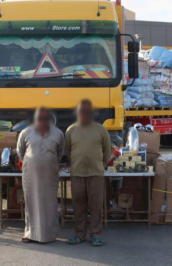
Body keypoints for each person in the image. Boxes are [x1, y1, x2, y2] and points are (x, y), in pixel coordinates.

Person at [65, 99, 111, 246]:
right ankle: (80, 234)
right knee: (78, 205)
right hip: (77, 173)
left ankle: (96, 234)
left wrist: (101, 165)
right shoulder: (71, 130)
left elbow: (107, 151)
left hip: (96, 173)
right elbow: (68, 151)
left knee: (96, 205)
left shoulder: (101, 129)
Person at [17, 107, 64, 243]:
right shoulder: (26, 132)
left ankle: (49, 235)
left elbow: (60, 153)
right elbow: (21, 152)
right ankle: (29, 234)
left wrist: (47, 160)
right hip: (31, 174)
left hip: (50, 173)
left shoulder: (58, 133)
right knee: (31, 201)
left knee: (49, 202)